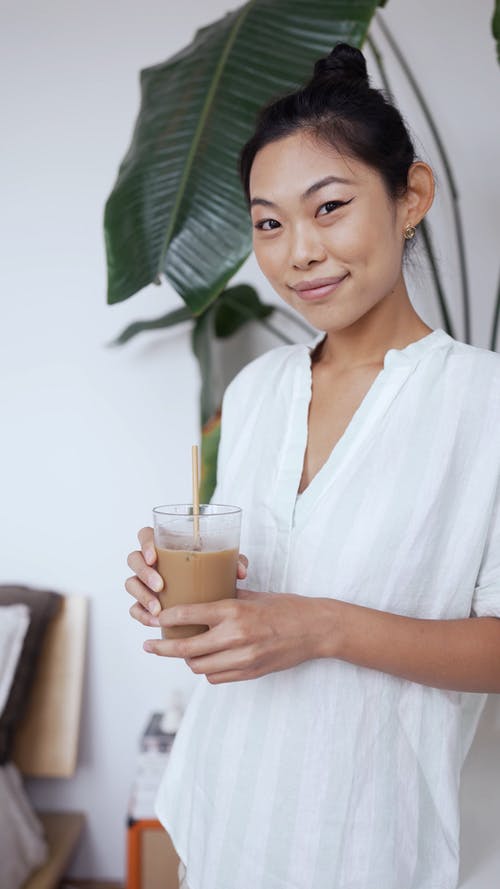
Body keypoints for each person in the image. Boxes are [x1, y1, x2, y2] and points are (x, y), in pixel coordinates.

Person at [125, 42, 500, 889]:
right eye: (269, 222)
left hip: (371, 842)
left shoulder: (484, 405)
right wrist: (169, 579)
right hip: (224, 814)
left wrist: (321, 626)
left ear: (412, 197)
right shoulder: (258, 390)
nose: (297, 251)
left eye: (328, 207)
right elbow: (243, 578)